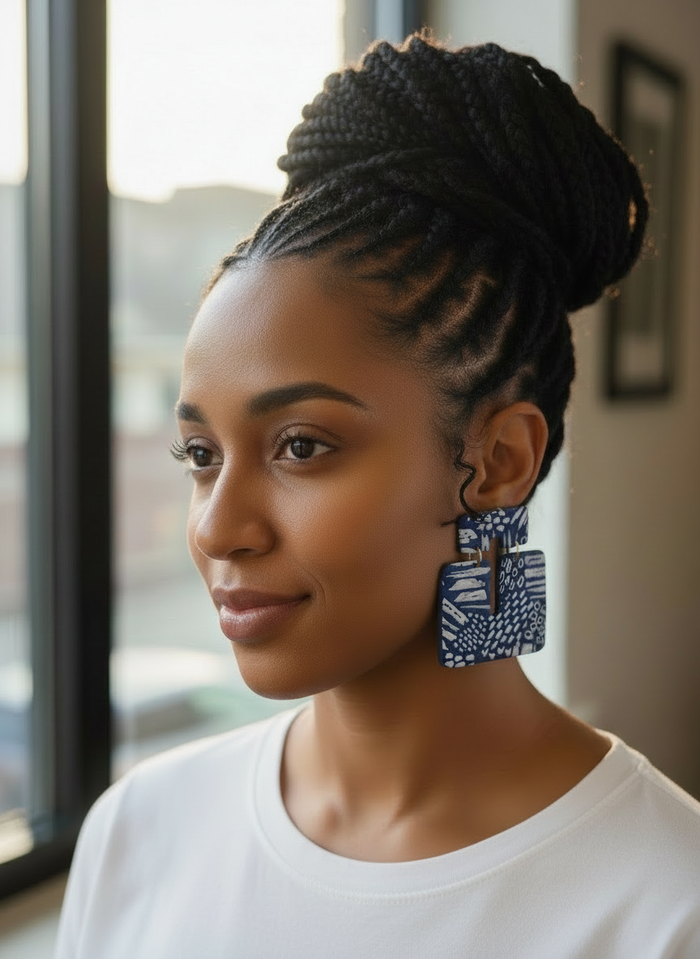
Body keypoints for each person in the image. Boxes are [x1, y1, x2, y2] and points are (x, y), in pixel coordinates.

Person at [55, 34, 700, 958]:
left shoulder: (668, 908)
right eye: (200, 452)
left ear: (500, 462)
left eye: (301, 445)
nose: (217, 527)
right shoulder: (138, 835)